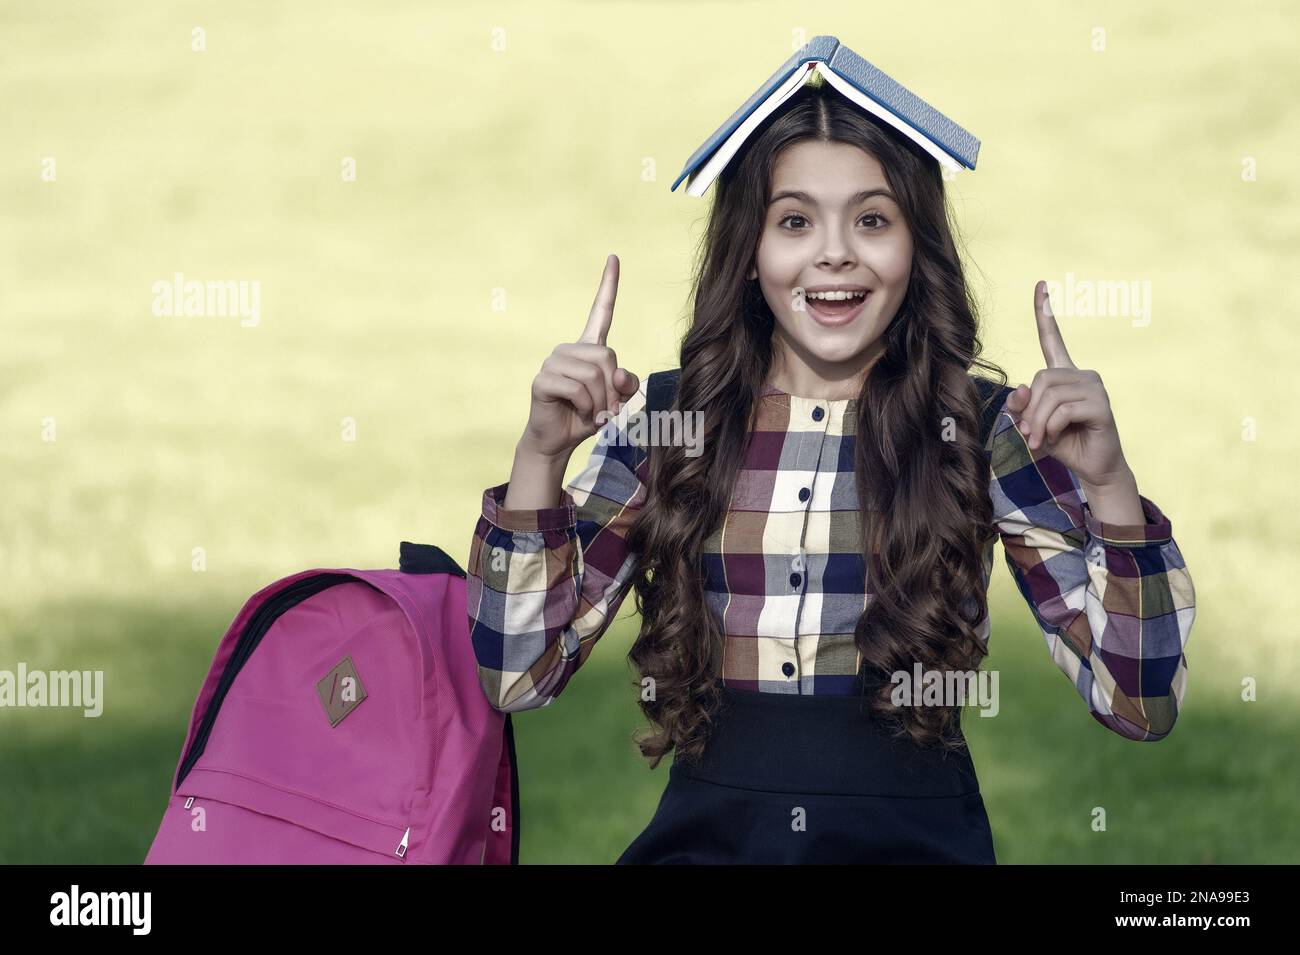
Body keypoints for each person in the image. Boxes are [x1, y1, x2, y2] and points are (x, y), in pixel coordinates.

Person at [465, 81, 1196, 864]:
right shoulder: (668, 425)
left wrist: (1111, 486)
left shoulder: (985, 430)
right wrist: (540, 457)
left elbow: (1140, 702)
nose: (835, 250)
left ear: (917, 248)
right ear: (750, 252)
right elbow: (517, 675)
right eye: (795, 221)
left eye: (873, 219)